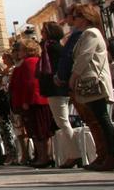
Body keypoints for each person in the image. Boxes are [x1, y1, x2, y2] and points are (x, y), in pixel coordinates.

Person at [68, 3, 114, 171]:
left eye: (77, 16)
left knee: (102, 119)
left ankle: (113, 156)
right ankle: (106, 156)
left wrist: (74, 76)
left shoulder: (91, 33)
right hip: (91, 82)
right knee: (100, 119)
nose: (74, 19)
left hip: (94, 83)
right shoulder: (89, 33)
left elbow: (85, 56)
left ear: (85, 18)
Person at [38, 21, 80, 169]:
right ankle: (74, 153)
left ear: (49, 33)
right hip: (55, 89)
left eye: (43, 30)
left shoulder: (52, 48)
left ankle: (74, 155)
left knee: (63, 121)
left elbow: (60, 67)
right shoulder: (50, 47)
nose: (41, 33)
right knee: (62, 121)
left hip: (56, 89)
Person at [10, 38, 55, 168]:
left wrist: (24, 101)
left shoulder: (29, 62)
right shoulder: (28, 62)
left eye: (20, 49)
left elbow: (29, 84)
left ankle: (44, 157)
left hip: (34, 101)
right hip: (34, 101)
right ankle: (42, 156)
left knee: (39, 131)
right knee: (38, 131)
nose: (18, 52)